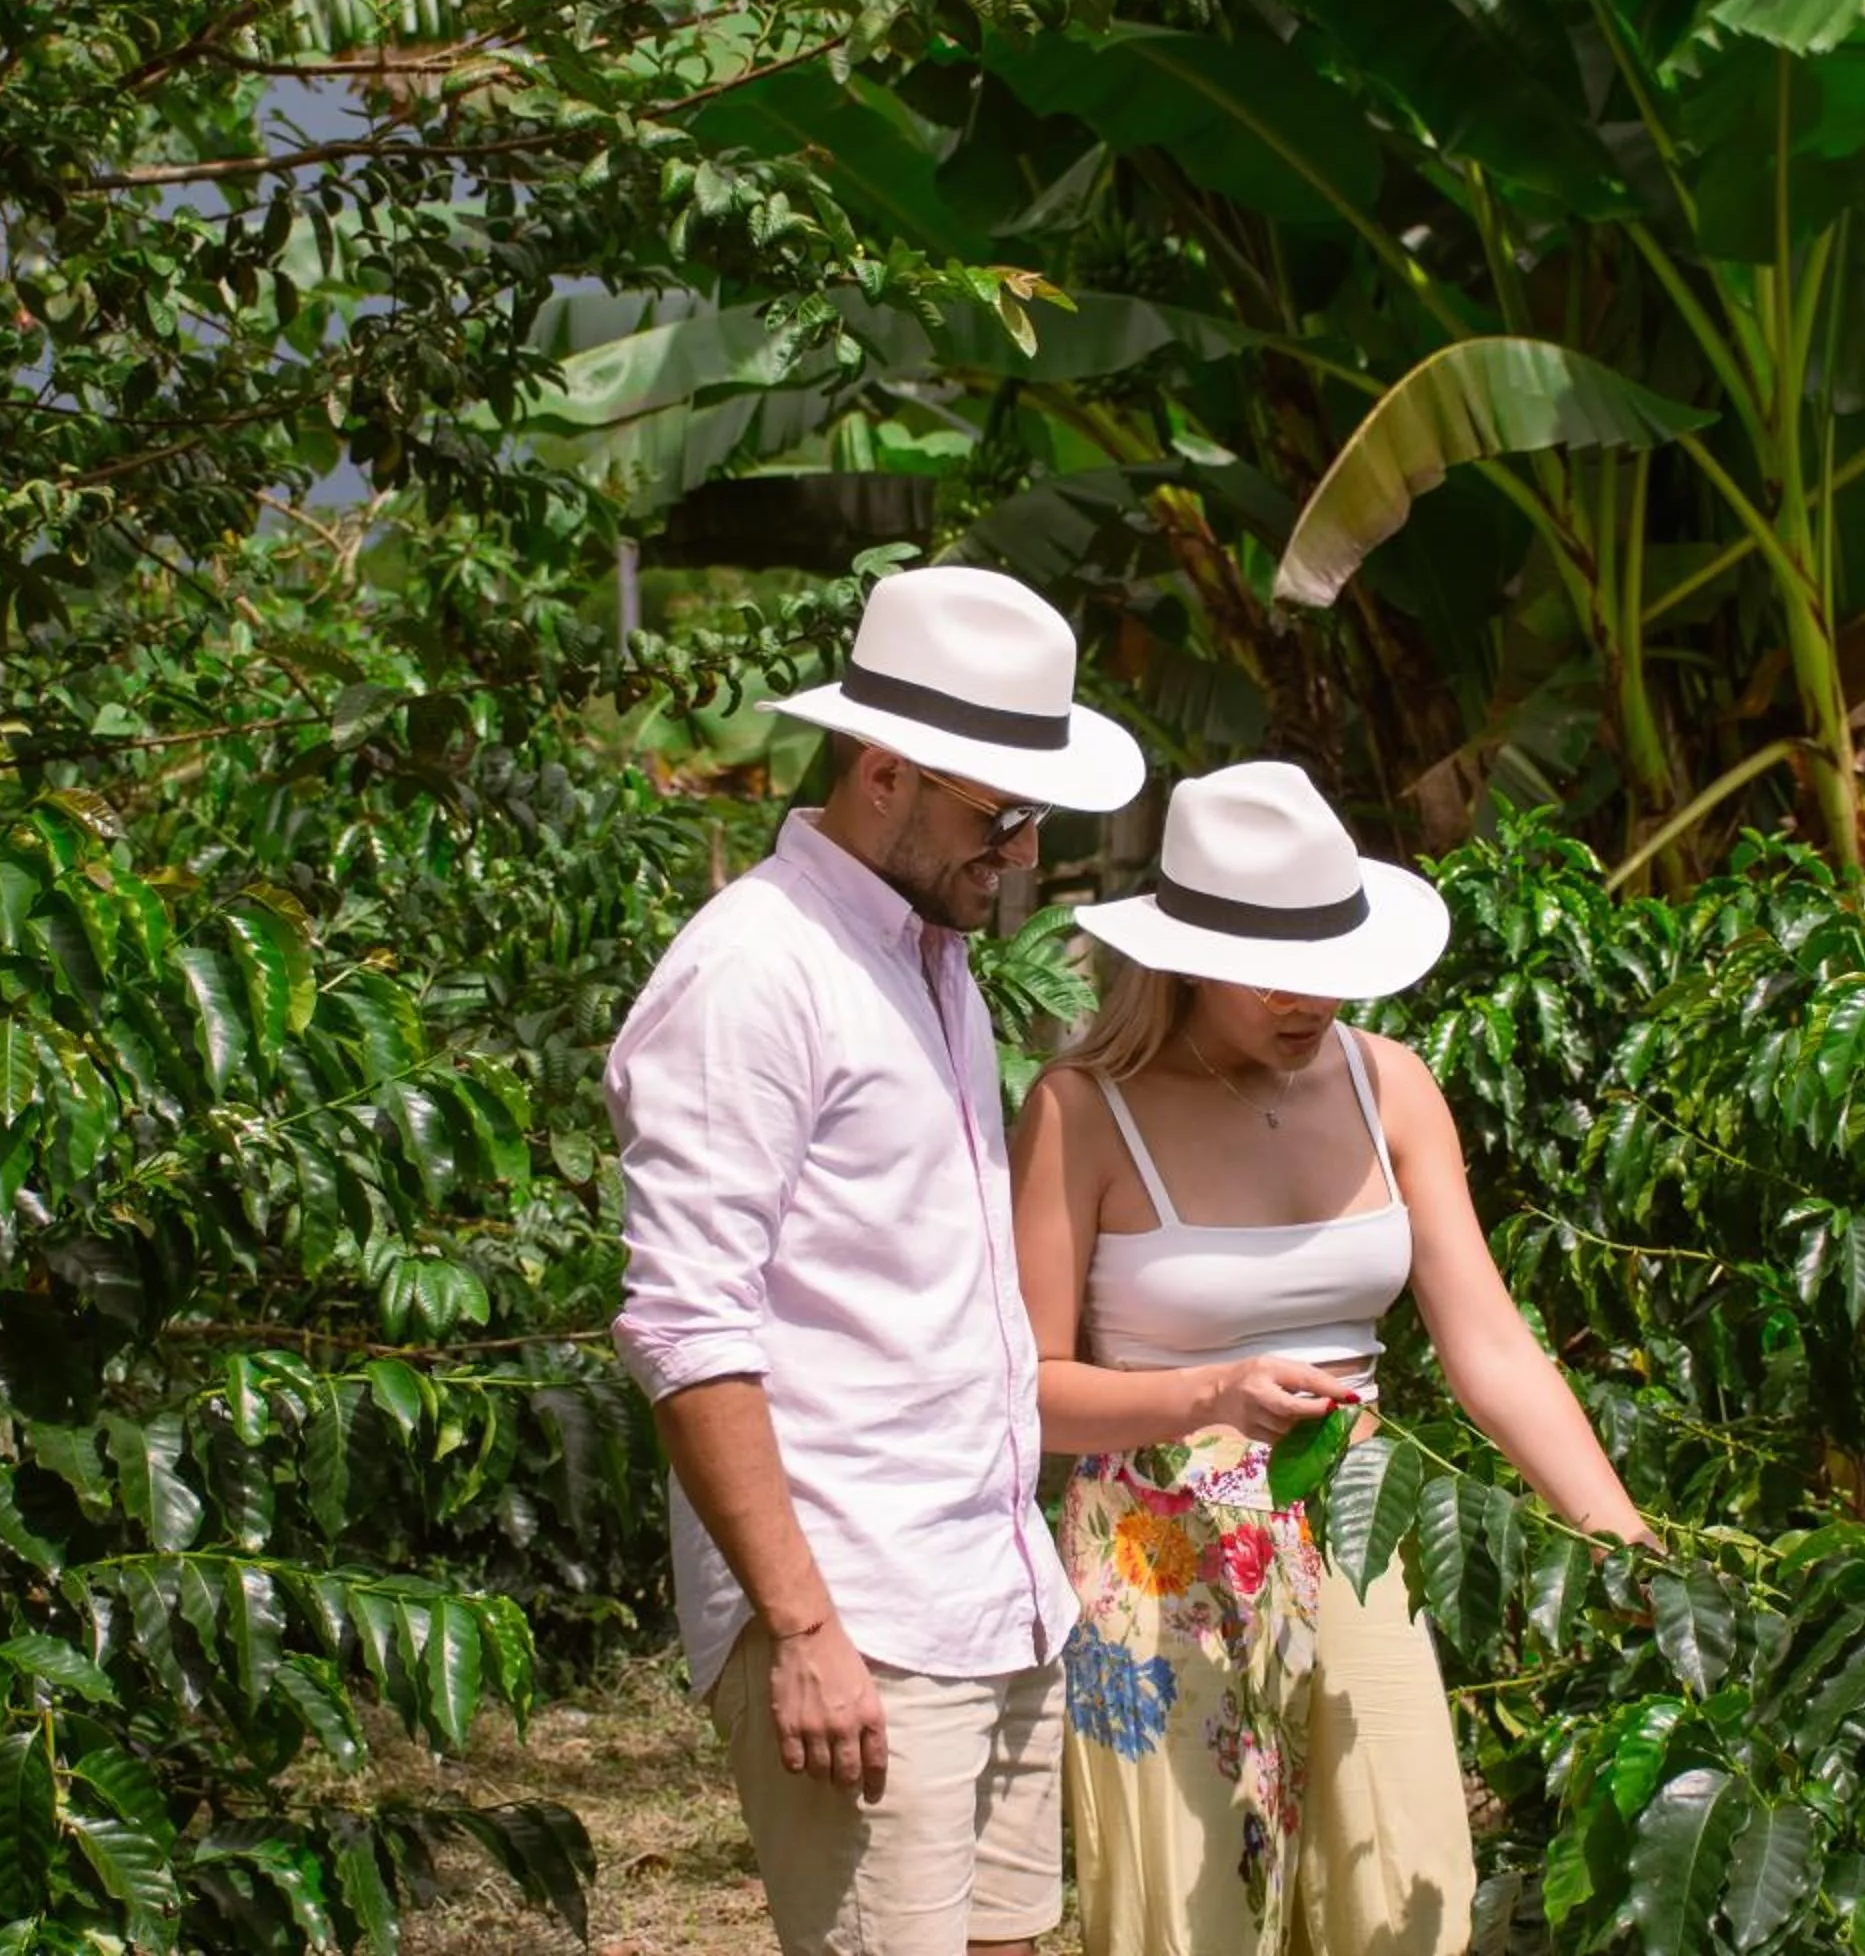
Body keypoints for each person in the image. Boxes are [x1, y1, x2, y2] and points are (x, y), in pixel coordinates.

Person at [1009, 761, 1652, 1956]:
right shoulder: (1083, 1109)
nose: (1307, 997)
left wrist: (1617, 1532)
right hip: (1155, 1560)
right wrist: (1206, 1391)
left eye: (1328, 962)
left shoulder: (1387, 1081)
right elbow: (1028, 1392)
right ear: (1188, 949)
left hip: (1356, 1527)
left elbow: (1491, 1344)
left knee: (1404, 1885)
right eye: (1271, 968)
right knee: (1192, 1919)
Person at [606, 565, 1144, 1956]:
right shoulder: (753, 976)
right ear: (886, 771)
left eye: (1036, 817)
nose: (1023, 850)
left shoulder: (931, 958)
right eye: (1001, 814)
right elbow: (685, 1331)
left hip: (990, 1590)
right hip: (859, 1605)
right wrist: (801, 1630)